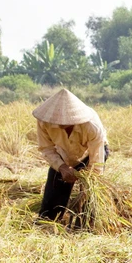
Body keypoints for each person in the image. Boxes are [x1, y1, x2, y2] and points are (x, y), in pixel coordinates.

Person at [33, 88, 108, 220]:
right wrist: (62, 167)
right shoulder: (44, 122)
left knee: (89, 197)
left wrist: (87, 184)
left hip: (90, 154)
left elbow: (96, 162)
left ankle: (86, 225)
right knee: (52, 198)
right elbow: (46, 148)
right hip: (63, 155)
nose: (60, 122)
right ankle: (48, 223)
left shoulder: (91, 126)